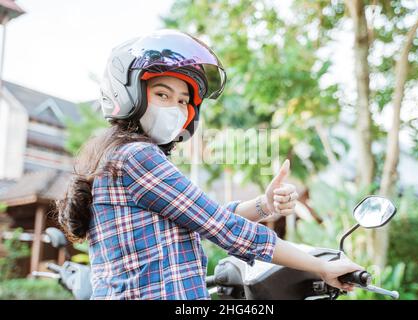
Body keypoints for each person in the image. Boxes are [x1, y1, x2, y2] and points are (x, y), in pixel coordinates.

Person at [56, 29, 361, 300]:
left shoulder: (117, 157)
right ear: (130, 93)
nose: (175, 107)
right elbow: (223, 228)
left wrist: (264, 205)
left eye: (182, 100)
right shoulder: (137, 157)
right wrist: (322, 266)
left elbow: (200, 217)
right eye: (163, 93)